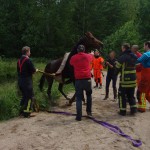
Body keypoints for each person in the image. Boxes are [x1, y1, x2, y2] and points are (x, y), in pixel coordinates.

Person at [70, 45, 93, 121]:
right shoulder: (88, 56)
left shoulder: (73, 57)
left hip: (78, 80)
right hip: (87, 79)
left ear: (77, 50)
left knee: (79, 98)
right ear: (84, 50)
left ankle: (79, 116)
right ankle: (89, 112)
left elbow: (71, 63)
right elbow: (92, 57)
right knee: (89, 96)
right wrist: (91, 53)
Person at [115, 43, 137, 116]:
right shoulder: (134, 56)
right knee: (131, 95)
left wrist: (114, 75)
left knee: (122, 95)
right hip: (133, 79)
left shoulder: (122, 57)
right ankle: (133, 110)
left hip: (125, 80)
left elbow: (117, 68)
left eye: (122, 48)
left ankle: (122, 111)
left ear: (124, 48)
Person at [17, 46, 37, 118]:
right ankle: (27, 113)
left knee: (24, 97)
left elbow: (19, 71)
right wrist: (36, 70)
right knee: (29, 97)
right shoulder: (28, 60)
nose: (30, 53)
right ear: (27, 52)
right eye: (29, 51)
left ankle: (20, 111)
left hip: (20, 81)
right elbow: (33, 70)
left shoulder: (18, 60)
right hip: (27, 82)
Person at [136, 41, 150, 112]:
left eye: (144, 45)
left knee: (143, 91)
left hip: (146, 73)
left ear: (147, 45)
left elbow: (138, 60)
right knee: (147, 92)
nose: (143, 47)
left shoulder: (146, 54)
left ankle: (142, 107)